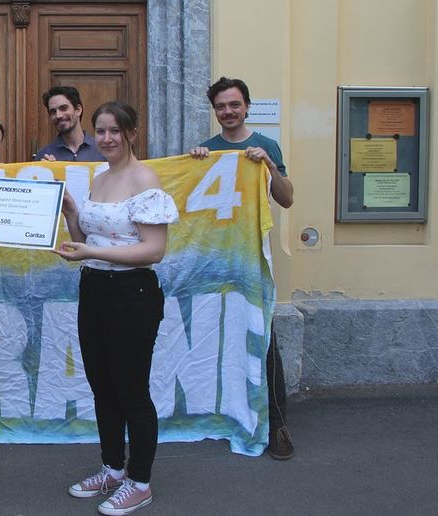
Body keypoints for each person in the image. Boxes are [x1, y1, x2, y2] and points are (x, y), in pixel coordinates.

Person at [55, 101, 178, 515]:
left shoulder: (145, 179)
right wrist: (73, 215)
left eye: (114, 131)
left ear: (131, 134)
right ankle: (112, 468)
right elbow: (85, 241)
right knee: (102, 387)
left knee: (132, 391)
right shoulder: (101, 178)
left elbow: (154, 250)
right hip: (94, 289)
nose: (107, 139)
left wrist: (90, 250)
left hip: (132, 294)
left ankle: (139, 482)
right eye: (101, 131)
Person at [189, 76, 295, 460]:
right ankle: (227, 414)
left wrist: (268, 165)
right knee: (217, 339)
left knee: (263, 340)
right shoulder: (208, 150)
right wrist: (193, 165)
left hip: (251, 261)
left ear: (247, 106)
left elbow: (287, 198)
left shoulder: (266, 145)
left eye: (234, 104)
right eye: (221, 106)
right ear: (214, 111)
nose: (228, 111)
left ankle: (277, 424)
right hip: (215, 263)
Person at [36, 85, 105, 162]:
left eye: (63, 108)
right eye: (53, 112)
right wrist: (46, 168)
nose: (58, 115)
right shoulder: (44, 155)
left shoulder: (102, 150)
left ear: (78, 110)